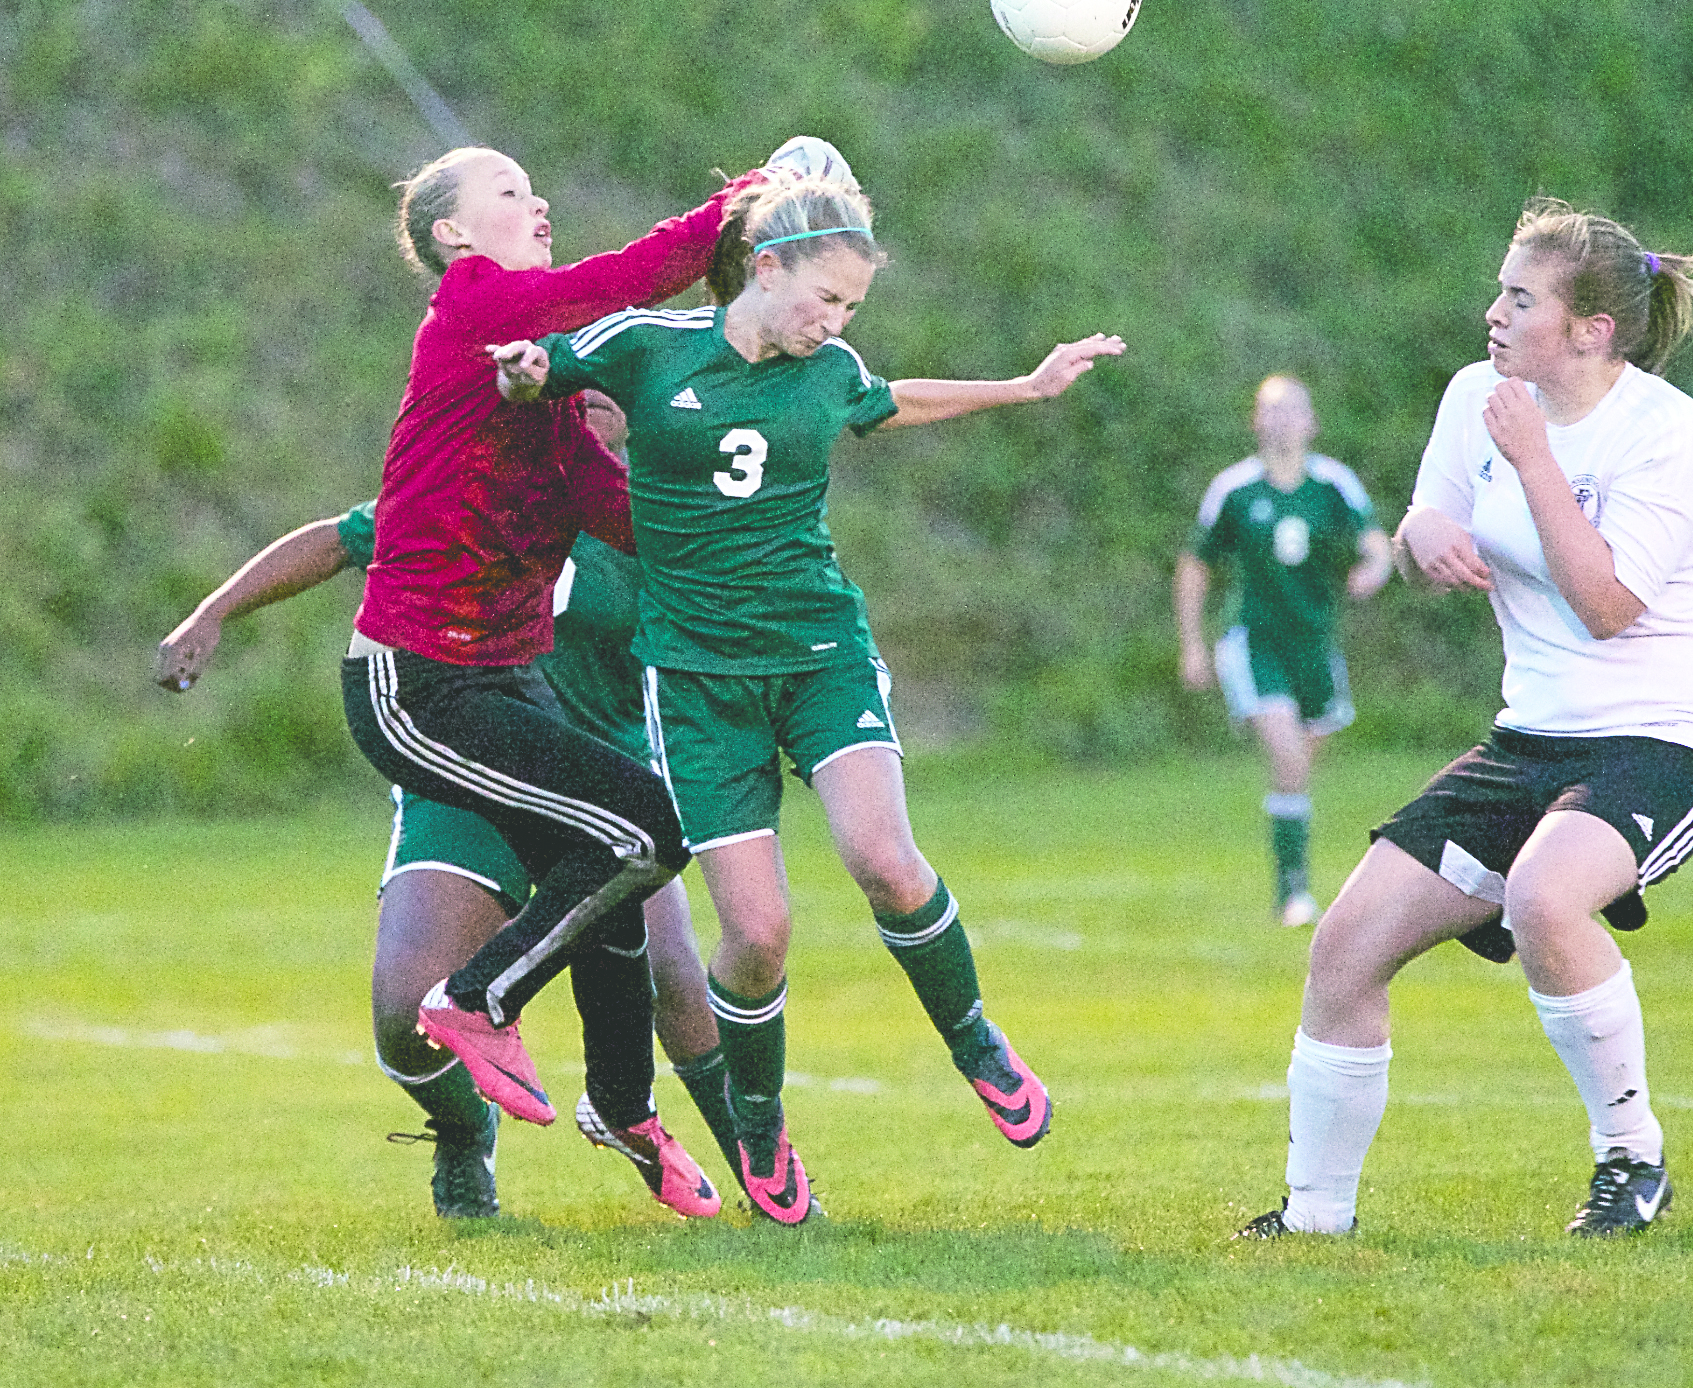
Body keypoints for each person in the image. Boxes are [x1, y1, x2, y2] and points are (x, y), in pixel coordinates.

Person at [488, 173, 1125, 1223]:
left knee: (883, 856)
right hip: (696, 684)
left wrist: (1022, 386)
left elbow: (891, 399)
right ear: (765, 267)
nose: (834, 324)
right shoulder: (649, 344)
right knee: (759, 934)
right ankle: (759, 1124)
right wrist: (519, 372)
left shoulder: (826, 368)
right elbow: (545, 368)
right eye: (824, 300)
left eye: (850, 310)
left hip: (821, 651)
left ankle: (975, 1040)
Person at [1236, 198, 1693, 1242]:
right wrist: (1422, 541)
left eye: (1519, 298)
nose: (1492, 314)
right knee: (1342, 948)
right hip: (1528, 737)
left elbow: (1607, 609)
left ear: (1590, 330)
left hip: (1659, 734)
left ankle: (1630, 1161)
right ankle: (1315, 1218)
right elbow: (1426, 524)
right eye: (1499, 291)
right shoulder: (1478, 394)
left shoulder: (1661, 430)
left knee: (1548, 898)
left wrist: (1533, 462)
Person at [156, 395, 740, 1220]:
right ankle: (467, 1131)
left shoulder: (659, 515)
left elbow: (724, 637)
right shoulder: (479, 482)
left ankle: (760, 1173)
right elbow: (337, 539)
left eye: (613, 377)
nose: (597, 396)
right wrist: (210, 614)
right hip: (467, 783)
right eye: (578, 379)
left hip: (596, 784)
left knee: (674, 976)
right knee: (403, 1015)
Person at [338, 139, 782, 1162]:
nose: (537, 206)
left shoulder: (539, 388)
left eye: (539, 192)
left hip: (497, 684)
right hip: (419, 684)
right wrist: (736, 206)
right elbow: (621, 281)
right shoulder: (475, 300)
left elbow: (621, 516)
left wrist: (730, 505)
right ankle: (476, 1004)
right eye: (509, 193)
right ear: (453, 234)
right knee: (639, 833)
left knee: (619, 856)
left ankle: (625, 1109)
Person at [1175, 375, 1392, 926]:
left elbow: (1375, 545)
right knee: (1288, 758)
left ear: (1311, 422)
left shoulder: (1333, 484)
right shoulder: (1235, 490)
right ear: (1255, 422)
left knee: (1297, 772)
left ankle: (1291, 871)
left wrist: (1372, 570)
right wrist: (1193, 645)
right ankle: (1292, 892)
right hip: (1253, 642)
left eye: (1293, 410)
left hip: (1316, 645)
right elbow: (1195, 565)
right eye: (1270, 410)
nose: (1282, 420)